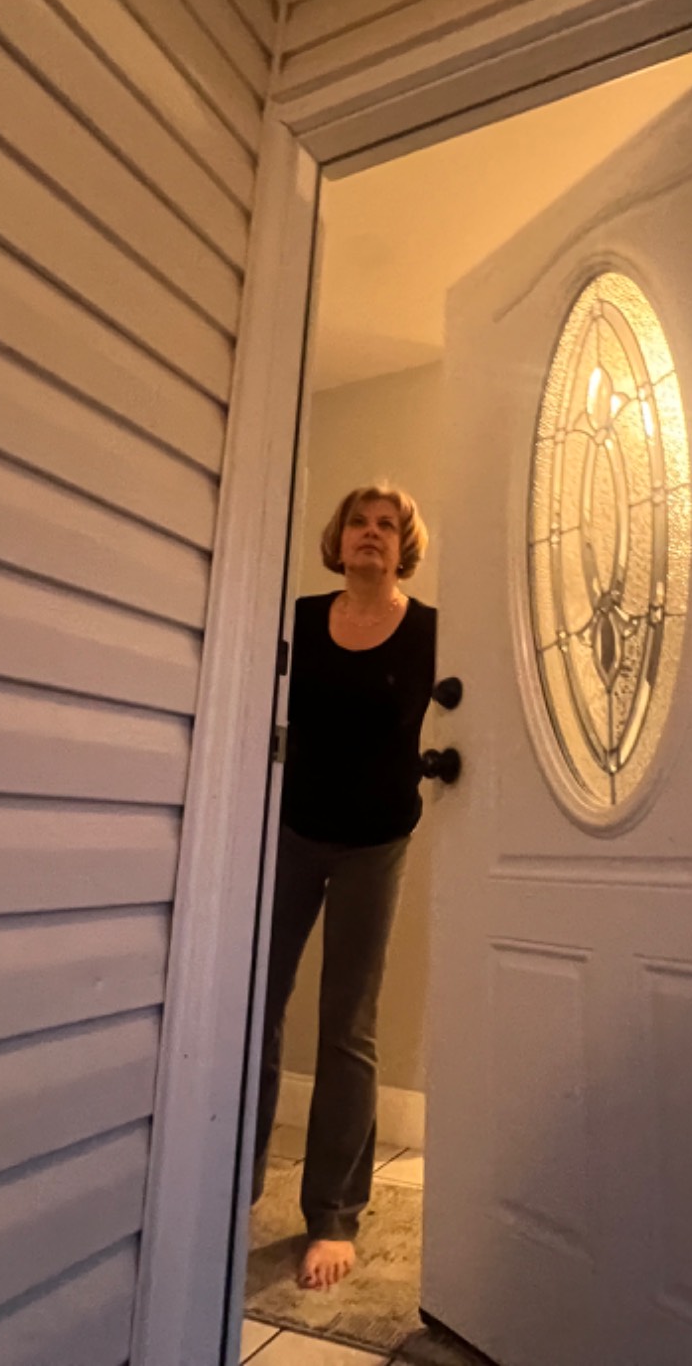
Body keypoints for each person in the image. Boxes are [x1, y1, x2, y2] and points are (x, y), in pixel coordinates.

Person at [255, 482, 437, 1291]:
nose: (371, 533)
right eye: (358, 522)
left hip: (376, 844)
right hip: (289, 834)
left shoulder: (431, 631)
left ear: (404, 545)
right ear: (339, 539)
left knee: (347, 1025)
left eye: (386, 525)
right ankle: (232, 1183)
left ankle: (332, 1215)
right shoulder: (296, 619)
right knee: (254, 1009)